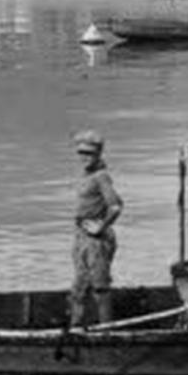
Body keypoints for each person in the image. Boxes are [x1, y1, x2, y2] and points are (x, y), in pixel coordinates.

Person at [69, 130, 123, 327]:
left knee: (100, 287)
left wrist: (101, 226)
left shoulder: (101, 176)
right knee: (79, 287)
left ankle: (106, 331)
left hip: (96, 239)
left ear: (99, 154)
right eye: (81, 153)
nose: (85, 157)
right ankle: (75, 329)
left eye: (89, 153)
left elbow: (116, 206)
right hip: (81, 235)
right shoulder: (85, 175)